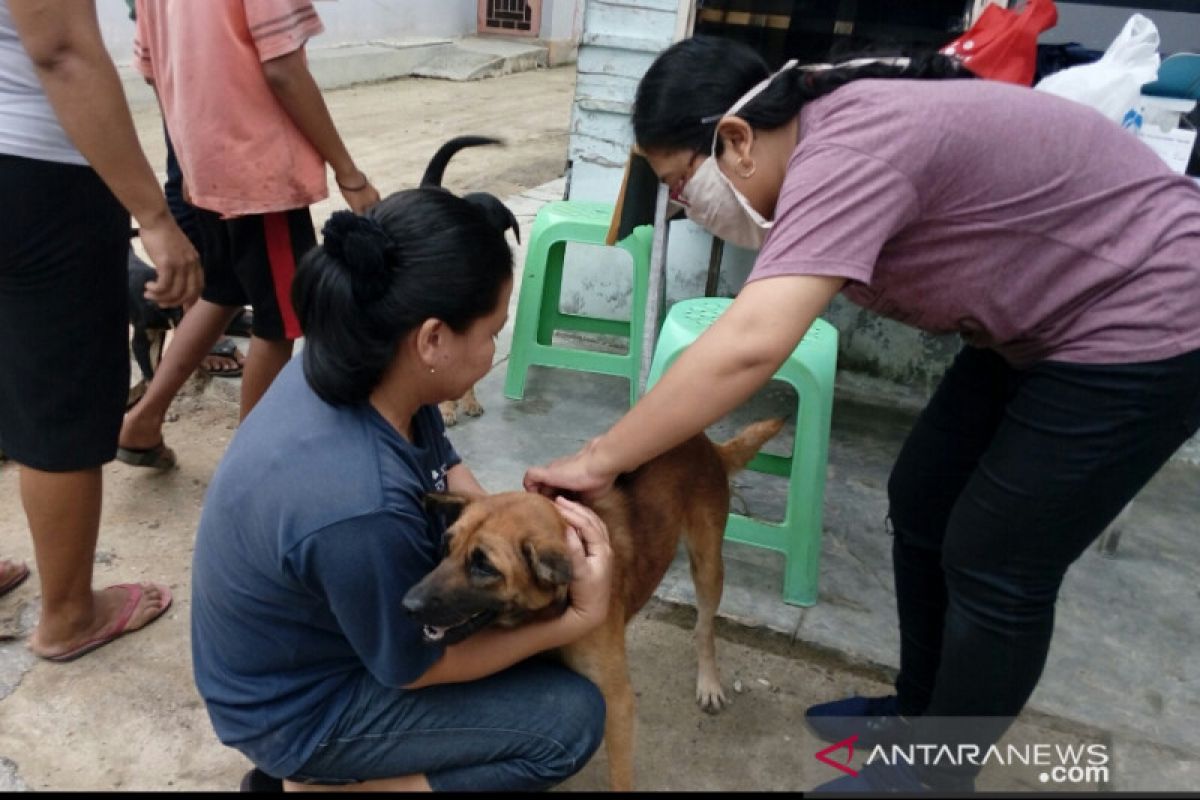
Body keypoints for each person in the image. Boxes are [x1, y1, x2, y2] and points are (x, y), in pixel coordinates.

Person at [524, 37, 1200, 792]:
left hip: (1149, 317)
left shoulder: (846, 153)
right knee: (922, 497)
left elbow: (750, 347)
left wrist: (600, 457)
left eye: (680, 184)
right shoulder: (824, 141)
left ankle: (934, 776)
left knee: (995, 559)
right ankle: (918, 713)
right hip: (1038, 325)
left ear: (736, 140)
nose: (684, 205)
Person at [192, 189, 611, 792]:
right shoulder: (360, 504)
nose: (495, 351)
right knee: (568, 721)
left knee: (504, 616)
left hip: (303, 655)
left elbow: (449, 473)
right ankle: (315, 785)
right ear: (434, 340)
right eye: (493, 333)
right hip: (298, 716)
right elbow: (418, 668)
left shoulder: (373, 374)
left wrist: (520, 523)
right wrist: (577, 619)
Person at [0, 0, 201, 661]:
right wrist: (155, 216)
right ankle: (68, 616)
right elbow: (60, 49)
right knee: (63, 395)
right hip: (34, 171)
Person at [117, 0, 381, 470]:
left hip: (204, 166)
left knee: (221, 292)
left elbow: (151, 71)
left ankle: (142, 421)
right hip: (259, 173)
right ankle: (249, 464)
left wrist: (195, 141)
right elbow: (282, 69)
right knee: (282, 321)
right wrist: (349, 173)